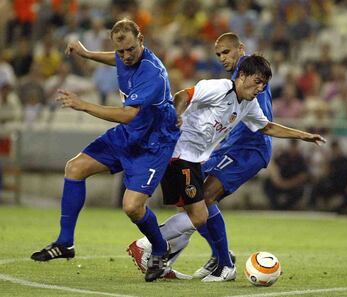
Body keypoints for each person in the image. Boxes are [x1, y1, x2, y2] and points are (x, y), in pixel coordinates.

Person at [128, 53, 326, 282]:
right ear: (242, 75)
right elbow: (183, 95)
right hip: (178, 154)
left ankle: (159, 254)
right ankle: (148, 245)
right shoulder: (219, 88)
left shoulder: (249, 104)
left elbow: (267, 127)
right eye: (257, 81)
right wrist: (177, 115)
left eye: (264, 83)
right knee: (199, 214)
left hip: (191, 159)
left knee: (193, 213)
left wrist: (303, 136)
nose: (260, 88)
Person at [30, 19, 180, 283]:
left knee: (132, 207)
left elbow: (127, 115)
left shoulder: (152, 74)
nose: (125, 56)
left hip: (153, 142)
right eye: (120, 50)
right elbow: (115, 59)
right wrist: (86, 53)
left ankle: (159, 248)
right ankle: (65, 243)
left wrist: (83, 104)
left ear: (141, 39)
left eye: (130, 49)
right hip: (129, 136)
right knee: (75, 168)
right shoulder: (125, 56)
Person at [128, 32, 273, 281]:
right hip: (214, 150)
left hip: (246, 150)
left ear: (241, 49)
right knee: (191, 202)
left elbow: (260, 123)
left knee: (203, 199)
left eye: (226, 52)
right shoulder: (231, 83)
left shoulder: (251, 78)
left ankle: (217, 260)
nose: (222, 58)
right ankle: (190, 257)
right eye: (218, 54)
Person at [264, 139, 309, 210]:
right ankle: (275, 206)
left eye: (294, 146)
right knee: (268, 183)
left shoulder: (301, 159)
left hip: (293, 184)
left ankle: (288, 207)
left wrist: (288, 184)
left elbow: (303, 175)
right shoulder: (282, 156)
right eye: (292, 145)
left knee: (300, 189)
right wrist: (277, 180)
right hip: (280, 182)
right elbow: (273, 167)